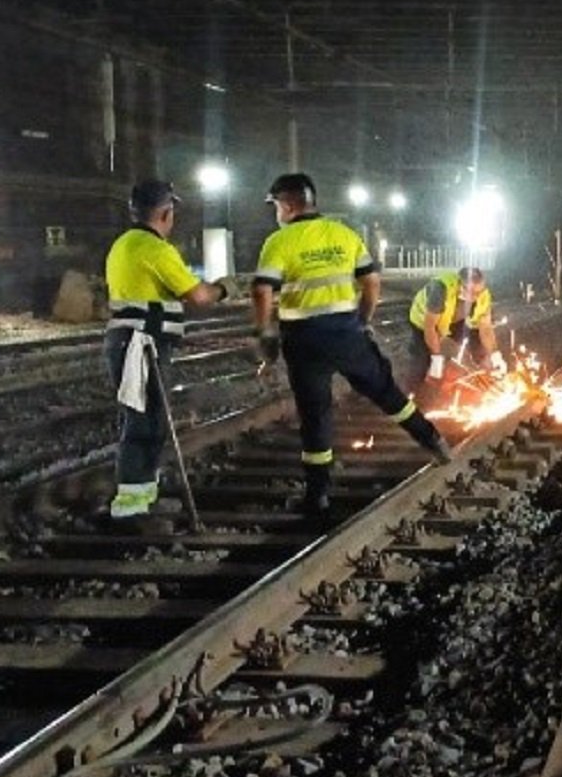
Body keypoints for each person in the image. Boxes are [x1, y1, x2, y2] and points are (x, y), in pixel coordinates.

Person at [251, 172, 453, 513]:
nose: (276, 214)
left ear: (286, 206)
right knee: (387, 393)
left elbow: (261, 289)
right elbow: (372, 281)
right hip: (346, 333)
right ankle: (433, 441)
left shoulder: (279, 242)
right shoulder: (343, 234)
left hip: (303, 340)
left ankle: (318, 495)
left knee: (315, 415)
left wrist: (265, 332)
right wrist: (363, 319)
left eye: (276, 207)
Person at [104, 178, 226, 519]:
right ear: (166, 213)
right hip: (142, 345)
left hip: (130, 341)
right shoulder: (156, 249)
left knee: (146, 418)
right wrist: (223, 289)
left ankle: (142, 496)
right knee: (145, 421)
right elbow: (198, 296)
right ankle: (131, 506)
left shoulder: (122, 245)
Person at [408, 265, 506, 386]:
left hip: (454, 319)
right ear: (460, 285)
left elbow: (485, 329)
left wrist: (495, 355)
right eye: (472, 292)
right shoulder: (441, 289)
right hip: (423, 322)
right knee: (422, 360)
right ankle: (416, 391)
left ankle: (485, 375)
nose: (476, 297)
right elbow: (430, 328)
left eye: (478, 292)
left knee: (477, 342)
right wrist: (436, 358)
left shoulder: (483, 295)